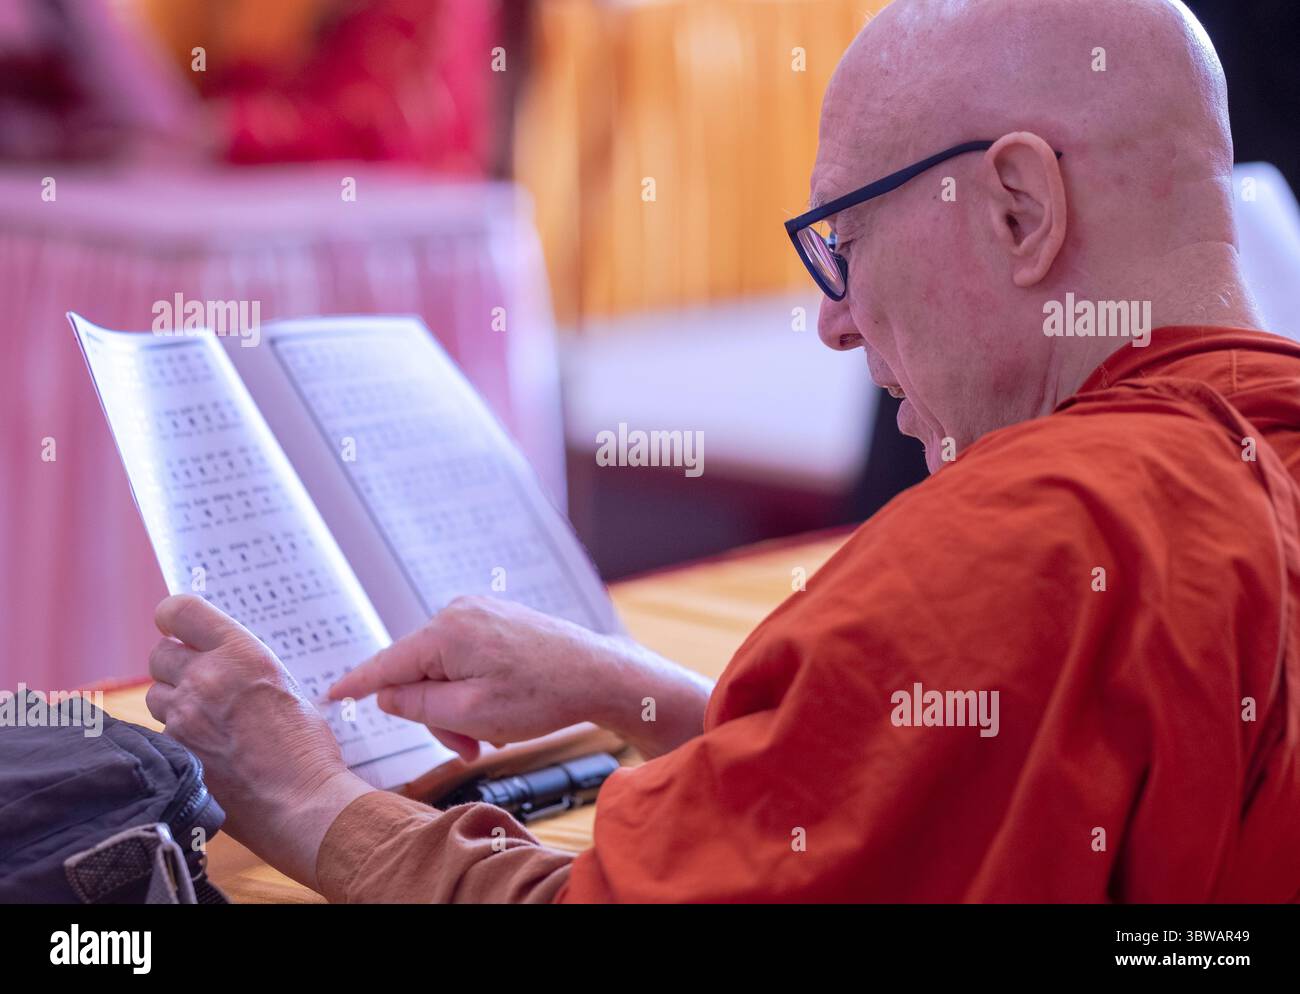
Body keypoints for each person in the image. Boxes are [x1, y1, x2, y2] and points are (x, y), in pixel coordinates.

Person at [144, 0, 1300, 902]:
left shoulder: (1036, 529)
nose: (834, 320)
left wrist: (300, 793)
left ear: (1017, 208)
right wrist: (636, 692)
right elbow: (965, 778)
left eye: (842, 243)